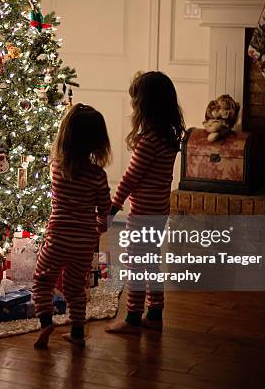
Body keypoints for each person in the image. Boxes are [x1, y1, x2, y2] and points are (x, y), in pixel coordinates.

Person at [106, 71, 185, 334]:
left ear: (145, 106)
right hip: (159, 212)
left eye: (135, 102)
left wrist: (112, 208)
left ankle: (132, 318)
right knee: (151, 263)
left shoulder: (149, 142)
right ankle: (154, 314)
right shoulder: (169, 137)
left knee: (136, 265)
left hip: (142, 215)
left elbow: (129, 179)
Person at [32, 103, 112, 348]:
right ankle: (77, 331)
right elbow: (105, 208)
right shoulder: (98, 175)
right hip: (84, 240)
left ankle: (46, 322)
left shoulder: (56, 168)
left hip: (58, 237)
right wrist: (99, 225)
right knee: (75, 286)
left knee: (43, 280)